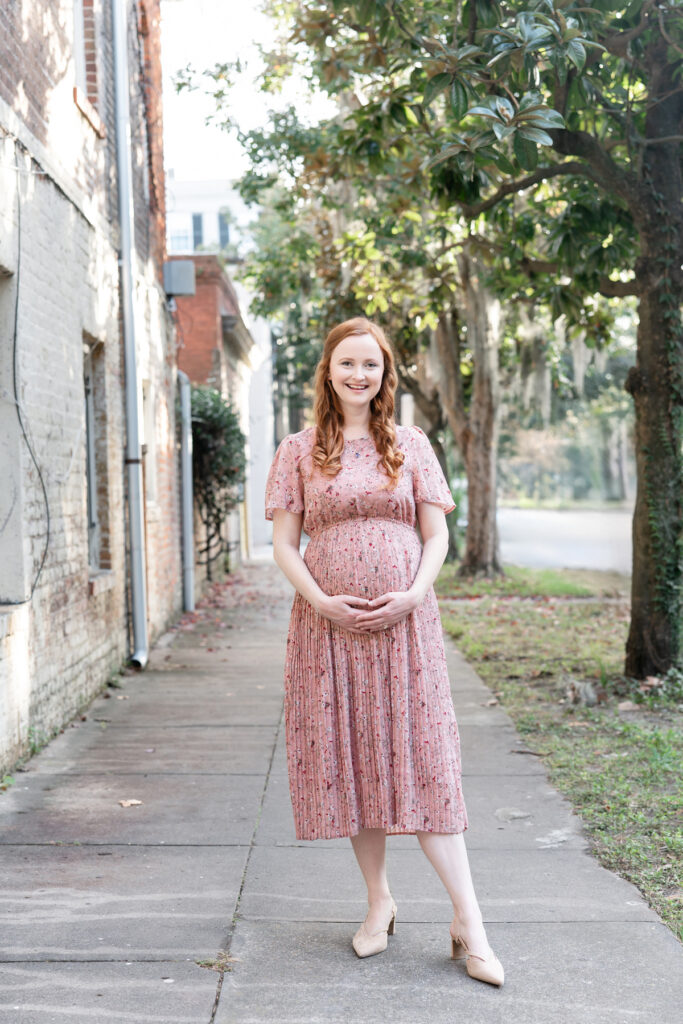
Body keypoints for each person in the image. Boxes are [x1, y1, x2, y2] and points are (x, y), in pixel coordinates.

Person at [264, 317, 504, 987]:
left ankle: (469, 923)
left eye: (370, 364)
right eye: (346, 363)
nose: (358, 374)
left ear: (384, 373)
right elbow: (284, 543)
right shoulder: (298, 449)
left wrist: (411, 595)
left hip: (406, 628)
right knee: (354, 763)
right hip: (328, 631)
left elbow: (435, 537)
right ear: (328, 371)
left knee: (425, 766)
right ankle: (378, 904)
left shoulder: (412, 445)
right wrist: (320, 601)